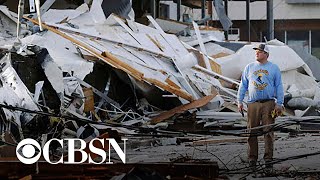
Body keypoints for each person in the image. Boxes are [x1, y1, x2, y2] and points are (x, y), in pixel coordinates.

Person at [237, 43, 284, 171]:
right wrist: (239, 101)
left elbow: (279, 86)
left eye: (260, 51)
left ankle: (268, 159)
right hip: (253, 103)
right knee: (252, 131)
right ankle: (252, 159)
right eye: (256, 51)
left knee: (268, 131)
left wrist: (279, 103)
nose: (257, 53)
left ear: (266, 54)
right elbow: (243, 85)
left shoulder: (273, 68)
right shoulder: (249, 67)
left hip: (269, 104)